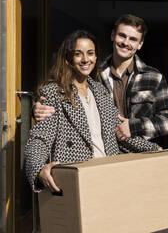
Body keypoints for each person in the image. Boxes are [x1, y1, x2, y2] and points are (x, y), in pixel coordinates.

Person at [25, 30, 160, 193]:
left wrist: (154, 150)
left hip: (108, 175)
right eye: (78, 54)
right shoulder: (54, 93)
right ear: (68, 59)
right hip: (78, 178)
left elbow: (120, 133)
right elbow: (40, 139)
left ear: (96, 58)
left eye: (90, 53)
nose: (85, 60)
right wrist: (39, 169)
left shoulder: (101, 91)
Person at [34, 14, 168, 142]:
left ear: (140, 44)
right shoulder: (93, 73)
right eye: (122, 35)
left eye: (133, 39)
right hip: (103, 153)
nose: (126, 42)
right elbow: (61, 89)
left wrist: (134, 126)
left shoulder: (153, 77)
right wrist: (38, 107)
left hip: (140, 154)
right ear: (112, 35)